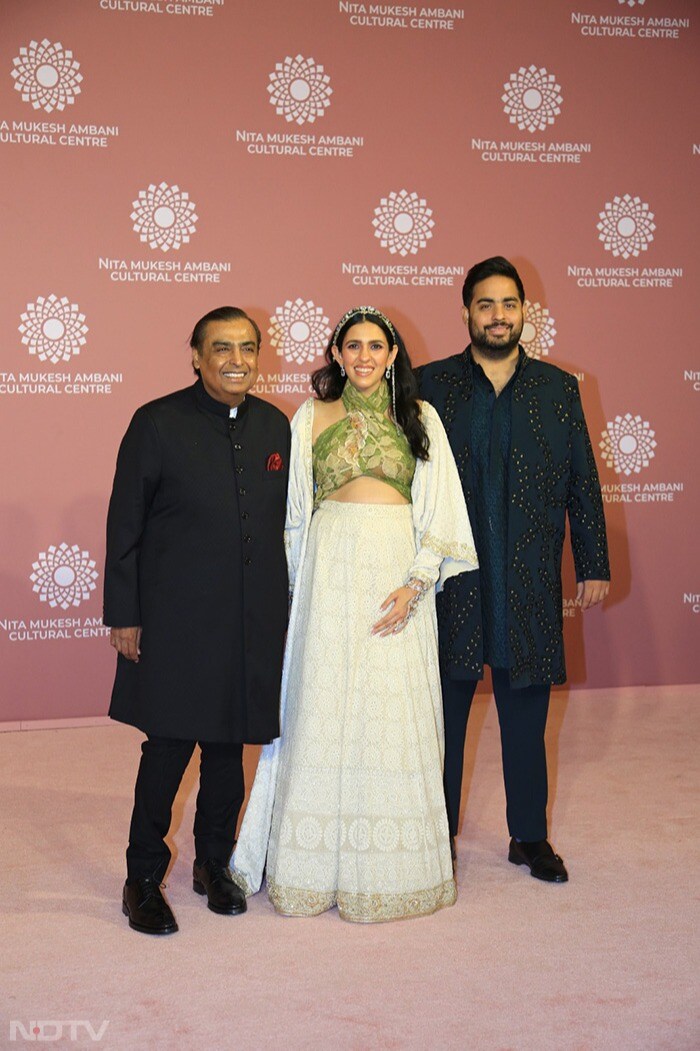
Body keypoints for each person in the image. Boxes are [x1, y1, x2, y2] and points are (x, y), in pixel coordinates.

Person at [232, 306, 477, 922]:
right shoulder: (310, 416)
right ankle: (309, 869)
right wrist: (292, 592)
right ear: (337, 354)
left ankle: (393, 873)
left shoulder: (421, 418)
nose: (364, 356)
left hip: (396, 575)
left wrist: (416, 583)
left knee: (392, 710)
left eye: (376, 346)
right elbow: (292, 515)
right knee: (321, 704)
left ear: (394, 355)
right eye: (353, 346)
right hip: (328, 573)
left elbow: (442, 510)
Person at [417, 258, 610, 883]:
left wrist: (594, 559)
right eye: (485, 304)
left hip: (527, 578)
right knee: (441, 717)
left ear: (526, 311)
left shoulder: (559, 387)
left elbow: (584, 477)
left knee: (526, 716)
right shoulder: (429, 386)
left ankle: (529, 837)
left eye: (509, 304)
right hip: (453, 578)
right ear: (466, 311)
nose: (498, 315)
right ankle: (434, 837)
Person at [104, 306, 290, 934]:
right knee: (167, 750)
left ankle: (214, 864)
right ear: (196, 355)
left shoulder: (275, 426)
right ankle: (141, 879)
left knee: (227, 750)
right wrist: (123, 615)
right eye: (221, 348)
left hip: (250, 623)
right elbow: (124, 526)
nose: (236, 360)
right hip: (176, 623)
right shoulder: (156, 423)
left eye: (247, 347)